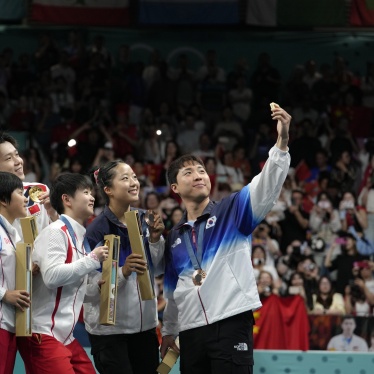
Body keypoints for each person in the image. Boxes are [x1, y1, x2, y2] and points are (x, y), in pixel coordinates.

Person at [160, 104, 291, 373]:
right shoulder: (174, 236)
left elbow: (265, 186)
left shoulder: (231, 211)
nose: (198, 175)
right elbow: (172, 291)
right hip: (191, 331)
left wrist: (281, 143)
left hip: (231, 322)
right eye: (188, 172)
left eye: (201, 171)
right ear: (175, 188)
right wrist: (170, 332)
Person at [17, 173, 109, 374]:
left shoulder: (80, 239)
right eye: (85, 192)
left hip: (66, 337)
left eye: (92, 192)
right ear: (66, 199)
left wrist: (95, 288)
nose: (92, 197)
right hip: (43, 334)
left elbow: (73, 288)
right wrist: (92, 259)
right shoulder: (55, 232)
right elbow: (51, 277)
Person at [84, 160, 165, 374]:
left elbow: (156, 268)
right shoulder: (95, 231)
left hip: (145, 327)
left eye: (135, 177)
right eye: (125, 178)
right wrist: (123, 272)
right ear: (108, 189)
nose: (134, 182)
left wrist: (156, 240)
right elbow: (88, 287)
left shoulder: (144, 220)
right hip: (110, 334)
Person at [0, 132, 58, 238]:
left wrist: (53, 214)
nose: (18, 161)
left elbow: (60, 234)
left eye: (17, 154)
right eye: (8, 158)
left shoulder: (39, 191)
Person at [0, 172, 30, 374]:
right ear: (3, 199)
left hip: (10, 324)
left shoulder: (13, 233)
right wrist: (3, 294)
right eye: (20, 192)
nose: (26, 198)